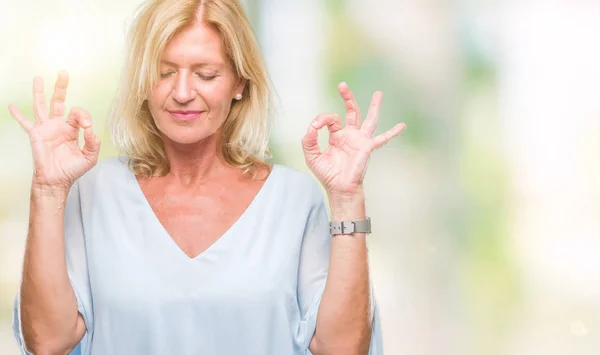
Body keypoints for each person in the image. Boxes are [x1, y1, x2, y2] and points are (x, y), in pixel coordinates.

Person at [9, 0, 406, 354]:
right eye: (165, 72)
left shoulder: (295, 200)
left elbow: (342, 349)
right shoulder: (93, 194)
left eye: (206, 74)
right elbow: (47, 341)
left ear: (240, 83)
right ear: (143, 82)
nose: (182, 92)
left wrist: (348, 197)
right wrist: (47, 190)